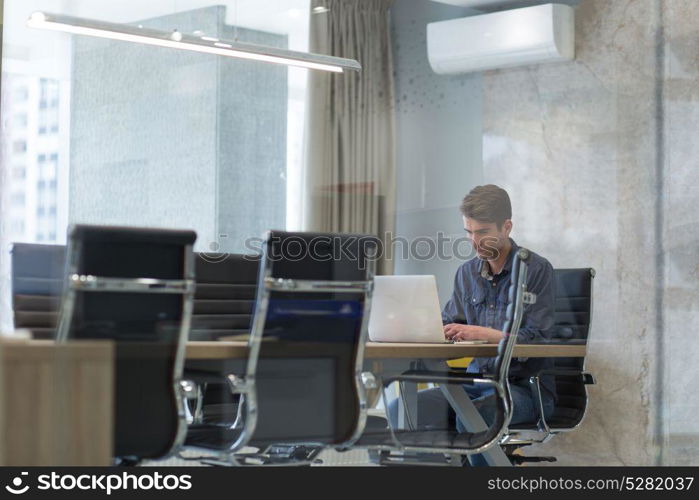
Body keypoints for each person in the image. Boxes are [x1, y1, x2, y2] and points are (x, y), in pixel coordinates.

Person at [387, 184, 556, 466]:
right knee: (402, 409)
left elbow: (536, 342)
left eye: (483, 232)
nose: (475, 242)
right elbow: (449, 322)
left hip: (525, 389)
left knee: (472, 418)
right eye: (469, 232)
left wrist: (482, 334)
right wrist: (424, 328)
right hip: (474, 385)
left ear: (506, 227)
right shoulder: (466, 274)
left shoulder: (537, 270)